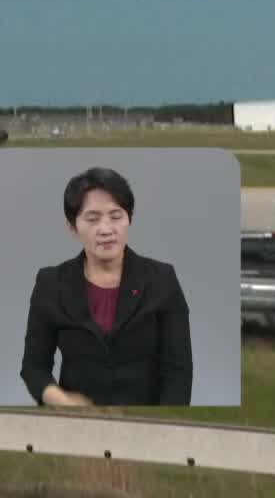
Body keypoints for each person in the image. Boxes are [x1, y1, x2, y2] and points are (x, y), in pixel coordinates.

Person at [20, 167, 192, 406]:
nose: (106, 229)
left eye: (116, 216)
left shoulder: (162, 279)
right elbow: (33, 367)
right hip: (76, 424)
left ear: (130, 218)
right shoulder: (51, 284)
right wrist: (61, 401)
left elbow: (178, 373)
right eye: (92, 219)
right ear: (72, 226)